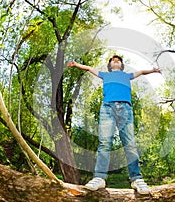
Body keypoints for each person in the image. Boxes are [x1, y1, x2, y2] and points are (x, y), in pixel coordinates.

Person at [67, 55, 161, 194]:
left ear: (121, 65)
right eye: (113, 60)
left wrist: (153, 71)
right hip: (107, 109)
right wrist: (76, 64)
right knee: (104, 143)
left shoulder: (127, 75)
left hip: (126, 109)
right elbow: (88, 68)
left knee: (130, 144)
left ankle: (136, 179)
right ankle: (100, 178)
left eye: (118, 60)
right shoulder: (105, 75)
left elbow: (141, 72)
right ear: (110, 65)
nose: (115, 61)